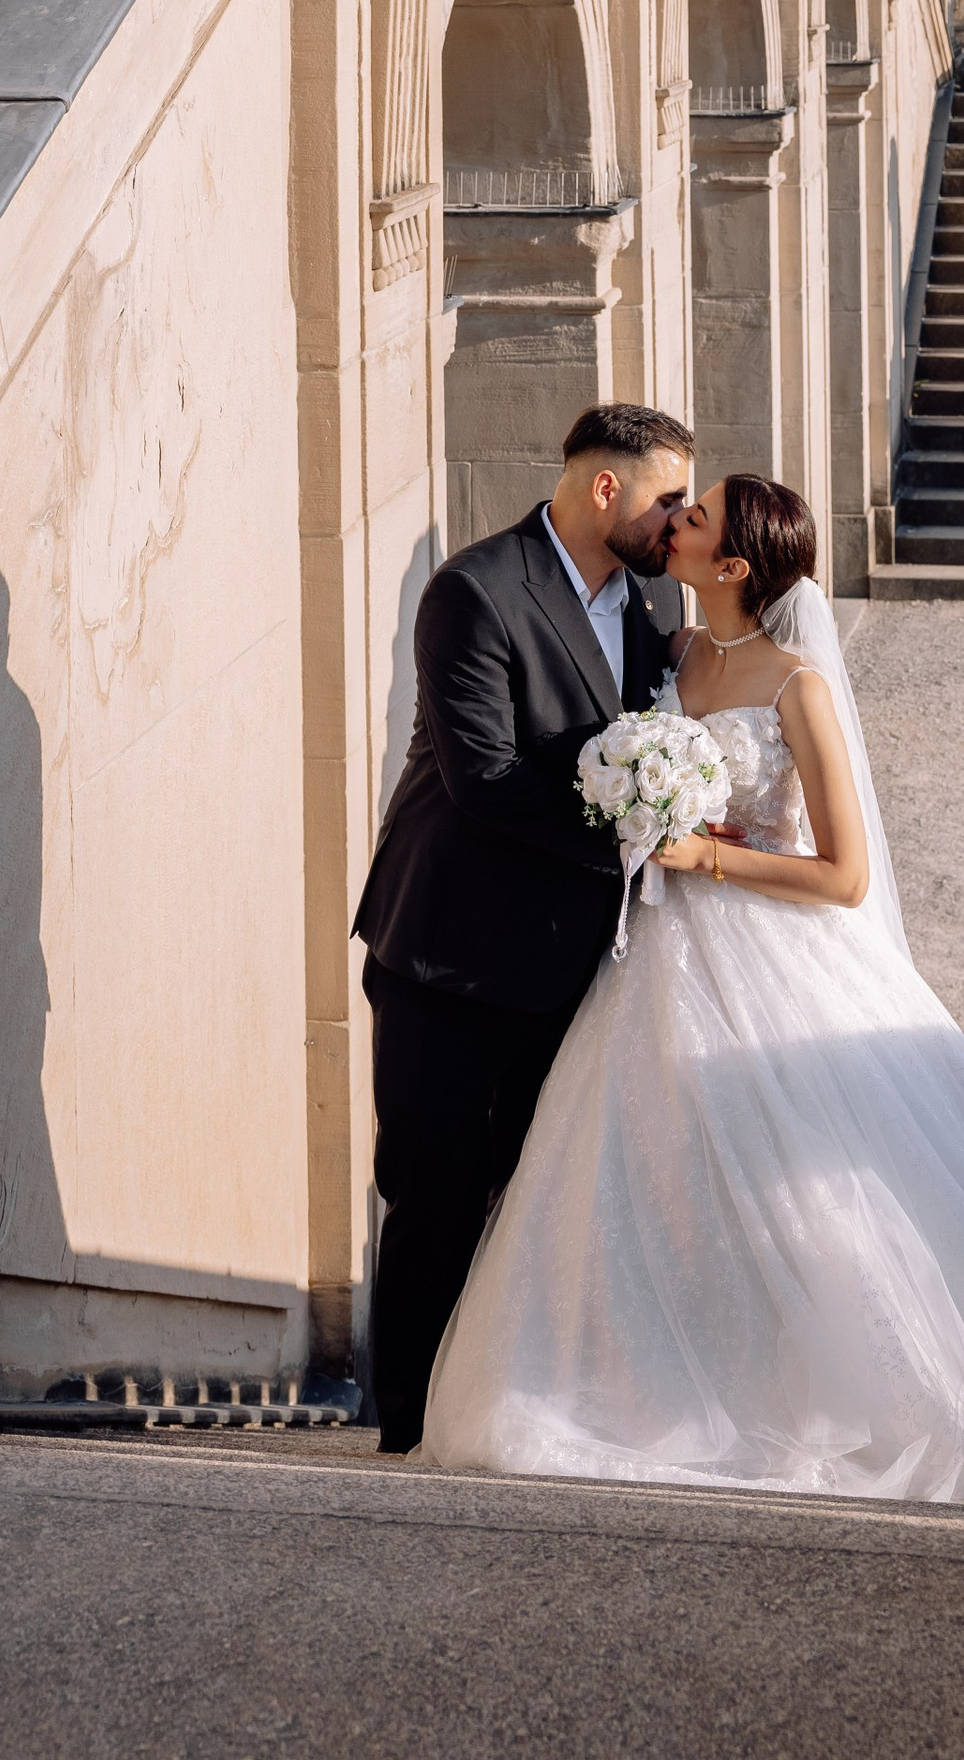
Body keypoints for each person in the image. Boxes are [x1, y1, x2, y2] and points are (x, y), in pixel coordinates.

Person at [417, 471, 964, 1513]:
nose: (670, 521)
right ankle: (665, 1388)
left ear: (730, 565)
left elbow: (845, 875)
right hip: (655, 963)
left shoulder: (795, 684)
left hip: (764, 953)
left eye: (695, 516)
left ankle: (830, 1403)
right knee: (659, 1178)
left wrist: (704, 858)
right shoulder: (667, 653)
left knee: (804, 1199)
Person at [352, 398, 693, 1456]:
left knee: (538, 1199)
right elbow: (486, 780)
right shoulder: (475, 590)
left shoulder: (649, 609)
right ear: (607, 487)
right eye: (667, 495)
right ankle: (401, 1430)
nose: (676, 519)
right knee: (432, 1191)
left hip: (569, 963)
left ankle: (503, 1413)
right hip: (444, 950)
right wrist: (642, 843)